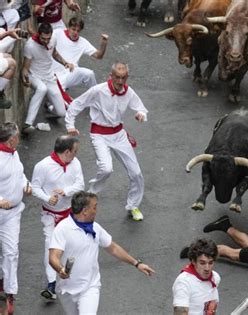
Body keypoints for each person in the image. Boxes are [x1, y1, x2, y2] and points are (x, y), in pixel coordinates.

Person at [65, 62, 149, 221]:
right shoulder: (98, 90)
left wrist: (140, 115)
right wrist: (70, 125)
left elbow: (141, 108)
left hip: (119, 134)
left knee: (136, 173)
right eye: (117, 77)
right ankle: (91, 193)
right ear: (110, 76)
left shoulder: (128, 92)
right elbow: (77, 103)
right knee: (106, 168)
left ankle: (133, 206)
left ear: (127, 78)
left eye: (123, 78)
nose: (120, 81)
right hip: (99, 134)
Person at [49, 191, 155, 314]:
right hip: (67, 290)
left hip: (90, 287)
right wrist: (60, 269)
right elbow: (53, 257)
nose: (97, 210)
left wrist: (137, 263)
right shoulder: (63, 229)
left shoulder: (95, 228)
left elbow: (113, 248)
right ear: (84, 211)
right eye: (94, 207)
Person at [31, 135, 84, 301]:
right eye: (75, 151)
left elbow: (80, 184)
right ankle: (51, 285)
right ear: (67, 151)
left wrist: (66, 191)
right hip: (50, 215)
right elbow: (34, 188)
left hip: (69, 215)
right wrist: (47, 198)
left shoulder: (75, 163)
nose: (76, 154)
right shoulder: (43, 166)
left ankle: (72, 279)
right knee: (51, 247)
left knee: (73, 247)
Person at [0, 122, 32, 314]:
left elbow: (19, 174)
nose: (19, 139)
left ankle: (10, 293)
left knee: (11, 253)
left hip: (13, 213)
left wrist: (26, 184)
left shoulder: (14, 153)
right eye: (17, 137)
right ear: (12, 139)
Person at [22, 22, 75, 134]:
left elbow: (54, 53)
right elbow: (25, 68)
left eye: (48, 38)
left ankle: (49, 107)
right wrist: (25, 77)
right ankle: (27, 124)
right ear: (38, 34)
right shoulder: (30, 45)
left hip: (49, 77)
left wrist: (65, 63)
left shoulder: (53, 39)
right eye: (43, 38)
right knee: (42, 89)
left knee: (62, 113)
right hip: (34, 76)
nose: (46, 41)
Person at [52, 17, 108, 90]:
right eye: (73, 29)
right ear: (68, 27)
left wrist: (103, 44)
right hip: (54, 74)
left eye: (78, 31)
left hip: (71, 73)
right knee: (57, 97)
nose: (75, 33)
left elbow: (99, 55)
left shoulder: (83, 42)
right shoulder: (57, 33)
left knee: (89, 74)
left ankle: (96, 96)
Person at [173, 239, 220, 315]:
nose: (207, 268)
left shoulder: (215, 277)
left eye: (210, 263)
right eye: (202, 263)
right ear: (193, 261)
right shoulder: (183, 282)